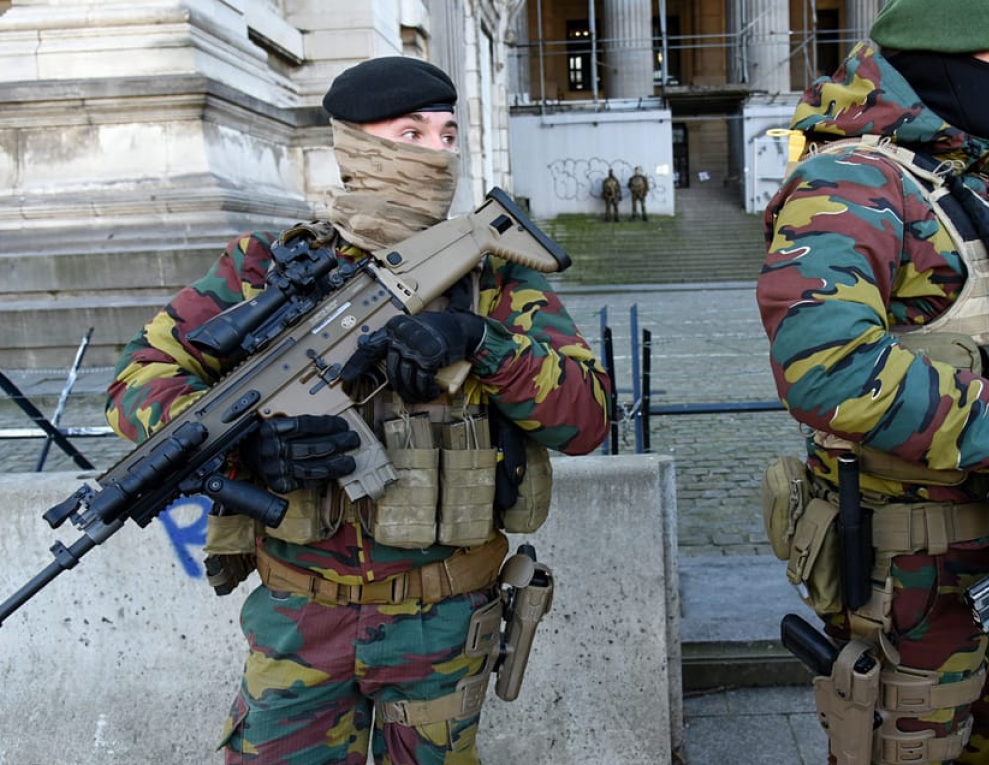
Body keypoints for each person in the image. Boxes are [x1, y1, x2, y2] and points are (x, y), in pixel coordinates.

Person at [105, 56, 610, 765]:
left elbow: (587, 418)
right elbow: (138, 379)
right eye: (411, 134)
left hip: (442, 620)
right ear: (355, 146)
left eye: (447, 136)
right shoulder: (266, 268)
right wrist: (245, 450)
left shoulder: (492, 276)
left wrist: (478, 340)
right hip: (299, 621)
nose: (438, 154)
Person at [756, 1, 989, 763]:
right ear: (940, 62)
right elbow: (828, 369)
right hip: (909, 576)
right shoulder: (851, 181)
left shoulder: (951, 186)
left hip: (984, 557)